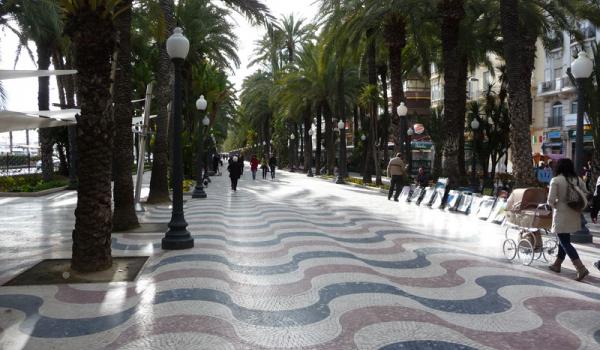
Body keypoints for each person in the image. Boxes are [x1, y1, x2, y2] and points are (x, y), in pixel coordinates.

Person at [547, 158, 589, 281]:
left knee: (565, 242)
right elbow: (586, 193)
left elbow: (550, 200)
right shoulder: (577, 179)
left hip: (561, 214)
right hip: (574, 213)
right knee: (564, 240)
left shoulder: (556, 180)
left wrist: (556, 205)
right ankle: (557, 264)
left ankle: (580, 268)